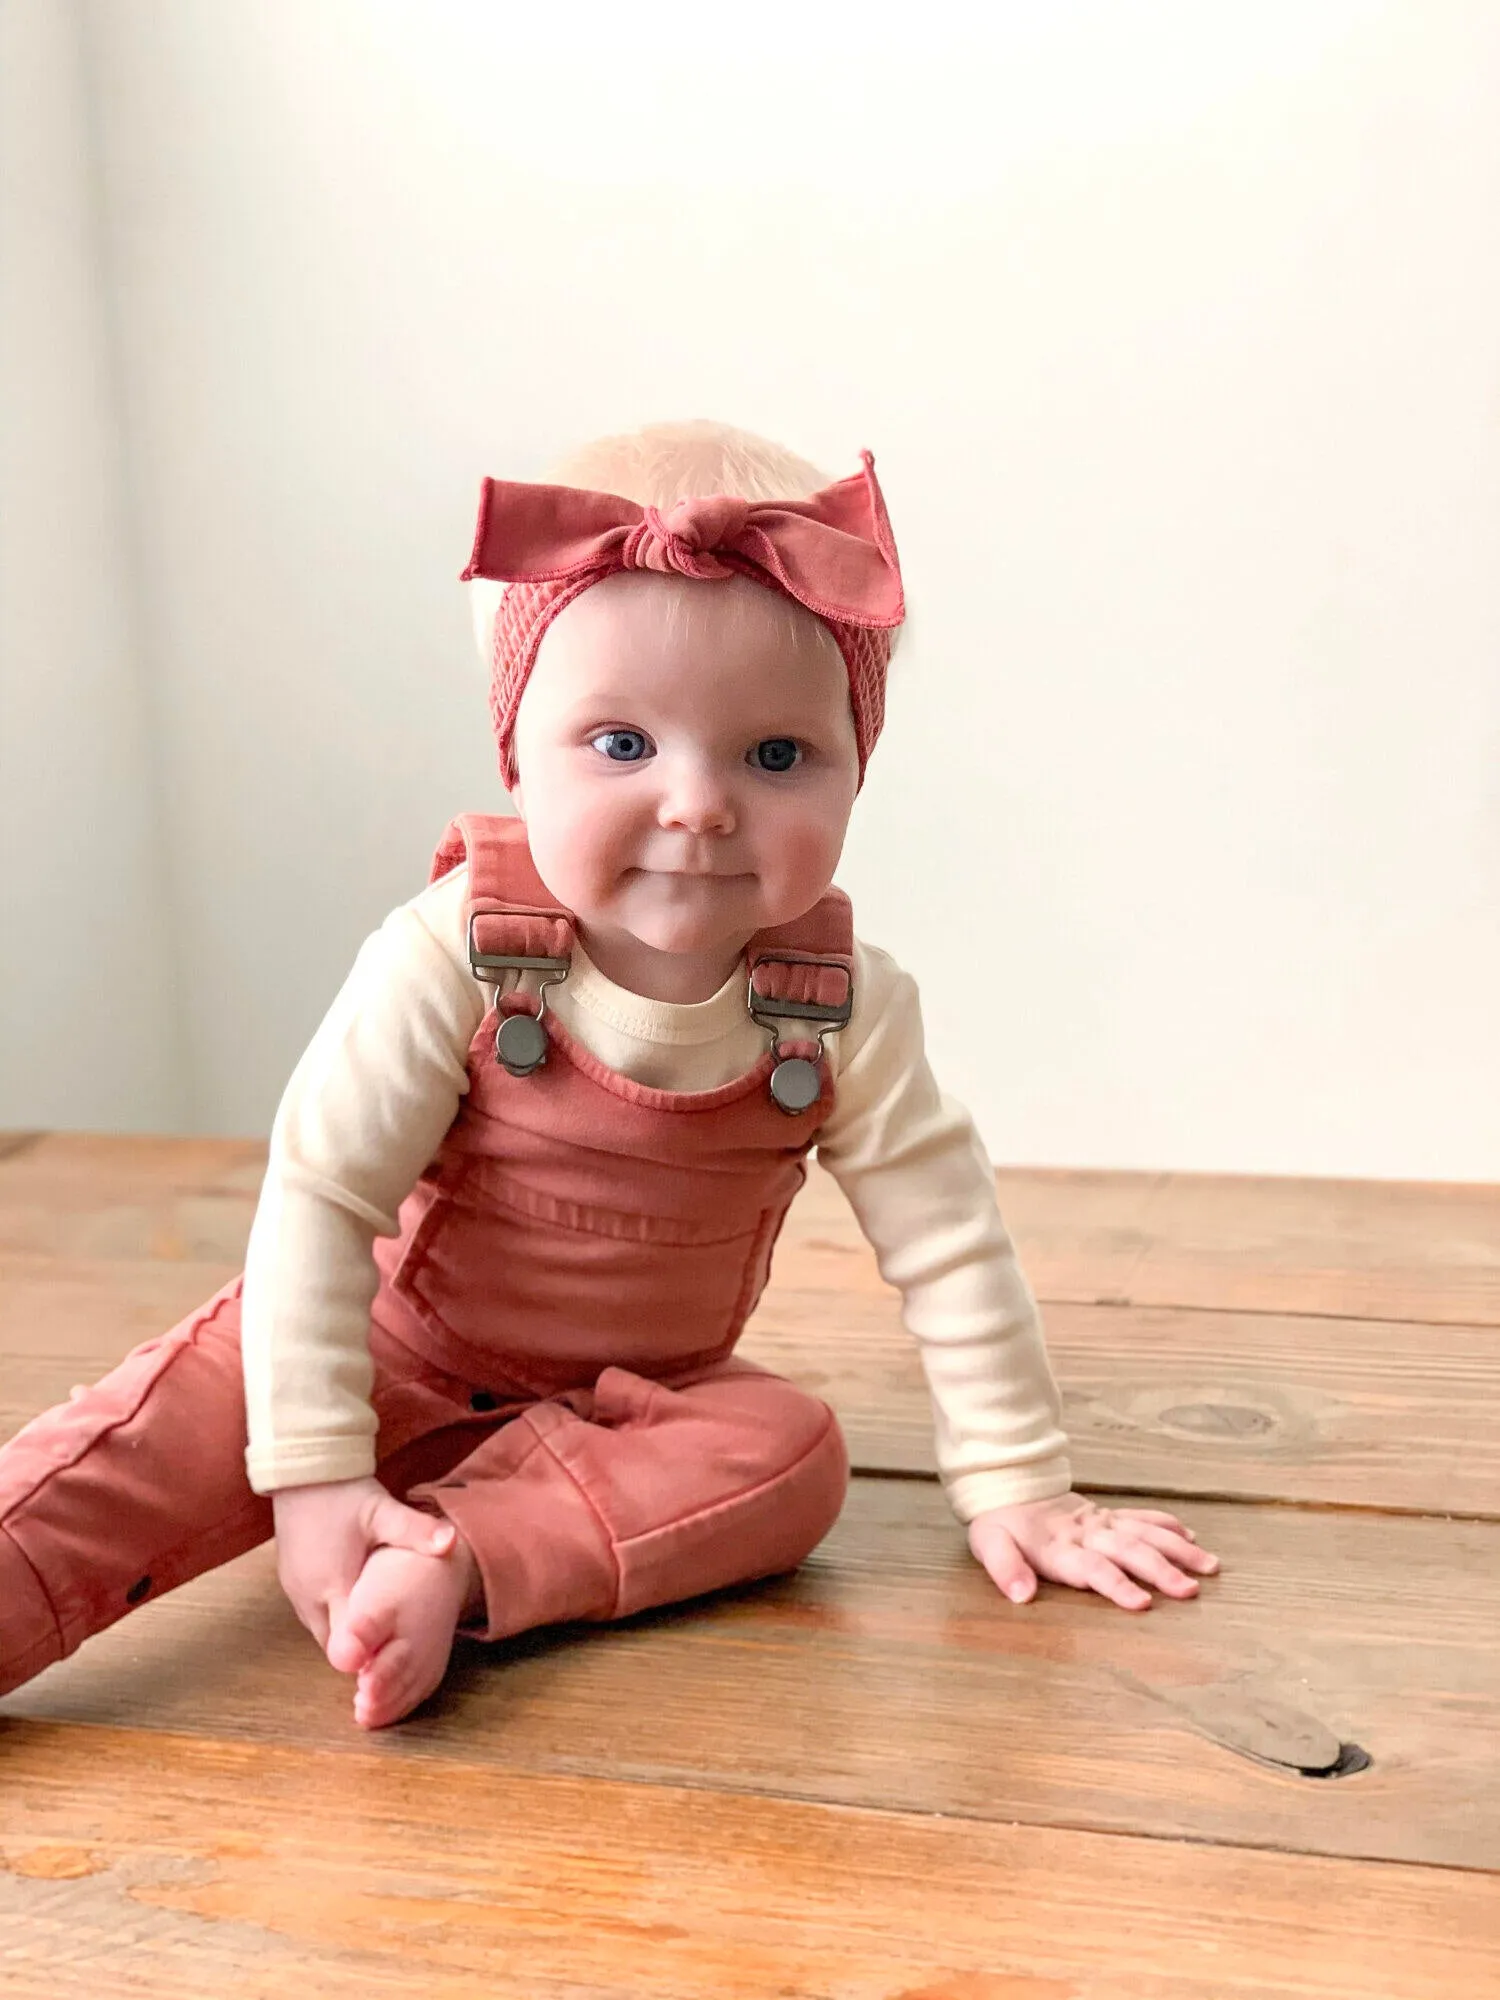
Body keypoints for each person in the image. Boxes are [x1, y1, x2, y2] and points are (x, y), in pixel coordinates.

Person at [0, 420, 1218, 1730]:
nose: (698, 805)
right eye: (623, 745)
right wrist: (309, 1473)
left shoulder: (841, 1006)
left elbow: (951, 1244)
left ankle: (455, 1560)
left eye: (774, 756)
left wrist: (1019, 1481)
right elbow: (320, 1199)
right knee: (111, 1470)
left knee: (793, 1457)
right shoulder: (455, 952)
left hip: (625, 1413)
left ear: (860, 765)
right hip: (362, 1340)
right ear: (518, 755)